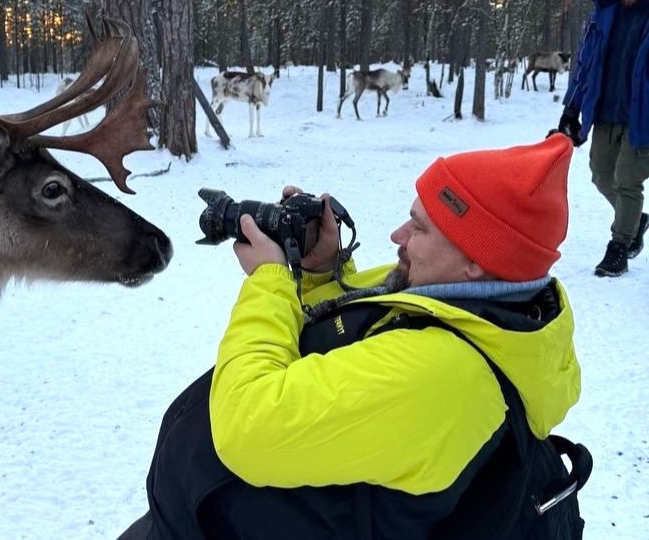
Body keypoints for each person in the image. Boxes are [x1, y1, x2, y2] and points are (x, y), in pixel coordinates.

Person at [118, 135, 583, 540]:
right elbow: (369, 328)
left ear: (477, 261)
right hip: (207, 516)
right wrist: (323, 271)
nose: (397, 236)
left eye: (419, 228)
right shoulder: (462, 300)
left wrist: (268, 281)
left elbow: (247, 426)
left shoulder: (448, 379)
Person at [557, 0, 649, 277]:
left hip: (642, 118)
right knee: (601, 174)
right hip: (607, 111)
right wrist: (571, 109)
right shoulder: (603, 15)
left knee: (627, 181)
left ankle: (619, 246)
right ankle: (635, 220)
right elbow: (585, 65)